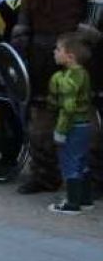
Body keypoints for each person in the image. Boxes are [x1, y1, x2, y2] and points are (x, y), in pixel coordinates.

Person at [12, 0, 103, 195]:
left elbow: (96, 5)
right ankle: (45, 174)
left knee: (81, 114)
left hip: (75, 50)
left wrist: (80, 41)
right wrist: (22, 34)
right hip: (40, 49)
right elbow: (28, 3)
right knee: (41, 114)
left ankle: (90, 178)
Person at [47, 34, 95, 214]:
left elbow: (68, 108)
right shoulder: (83, 73)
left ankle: (72, 204)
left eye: (58, 49)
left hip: (72, 126)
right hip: (85, 124)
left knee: (69, 163)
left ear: (70, 56)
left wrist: (60, 131)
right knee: (82, 162)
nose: (54, 52)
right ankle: (86, 199)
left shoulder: (68, 79)